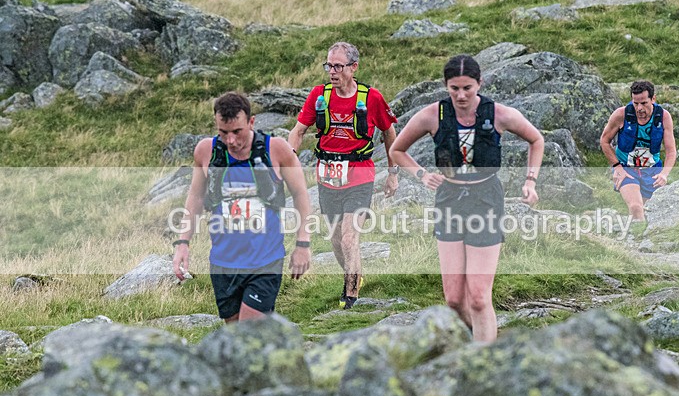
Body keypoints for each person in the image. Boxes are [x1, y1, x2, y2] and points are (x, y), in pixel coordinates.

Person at [389, 54, 544, 343]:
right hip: (449, 199)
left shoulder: (498, 114)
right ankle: (478, 341)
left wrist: (530, 182)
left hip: (485, 199)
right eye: (454, 88)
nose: (461, 95)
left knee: (479, 297)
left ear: (479, 84)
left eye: (467, 88)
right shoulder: (432, 115)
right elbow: (397, 150)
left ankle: (484, 357)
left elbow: (536, 140)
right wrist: (422, 175)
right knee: (453, 299)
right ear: (446, 86)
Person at [172, 92, 312, 323]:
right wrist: (183, 243)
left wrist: (303, 244)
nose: (231, 140)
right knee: (235, 332)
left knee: (247, 328)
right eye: (223, 132)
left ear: (252, 122)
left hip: (265, 260)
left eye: (237, 132)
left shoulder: (276, 149)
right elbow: (195, 197)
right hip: (223, 262)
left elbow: (301, 195)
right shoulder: (206, 151)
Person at [288, 41, 399, 309]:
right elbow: (298, 131)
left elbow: (389, 132)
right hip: (327, 177)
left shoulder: (371, 98)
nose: (332, 71)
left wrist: (392, 172)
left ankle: (350, 297)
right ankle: (355, 275)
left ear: (353, 67)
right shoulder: (319, 95)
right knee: (337, 240)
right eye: (329, 66)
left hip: (360, 175)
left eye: (338, 66)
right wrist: (289, 157)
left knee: (350, 237)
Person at [600, 80, 676, 221]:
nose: (639, 108)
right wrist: (617, 168)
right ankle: (636, 232)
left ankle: (637, 232)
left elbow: (671, 151)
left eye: (644, 103)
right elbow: (604, 141)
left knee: (650, 211)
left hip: (652, 171)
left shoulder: (664, 117)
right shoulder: (621, 114)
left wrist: (664, 174)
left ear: (653, 99)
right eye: (635, 103)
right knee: (636, 207)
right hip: (626, 169)